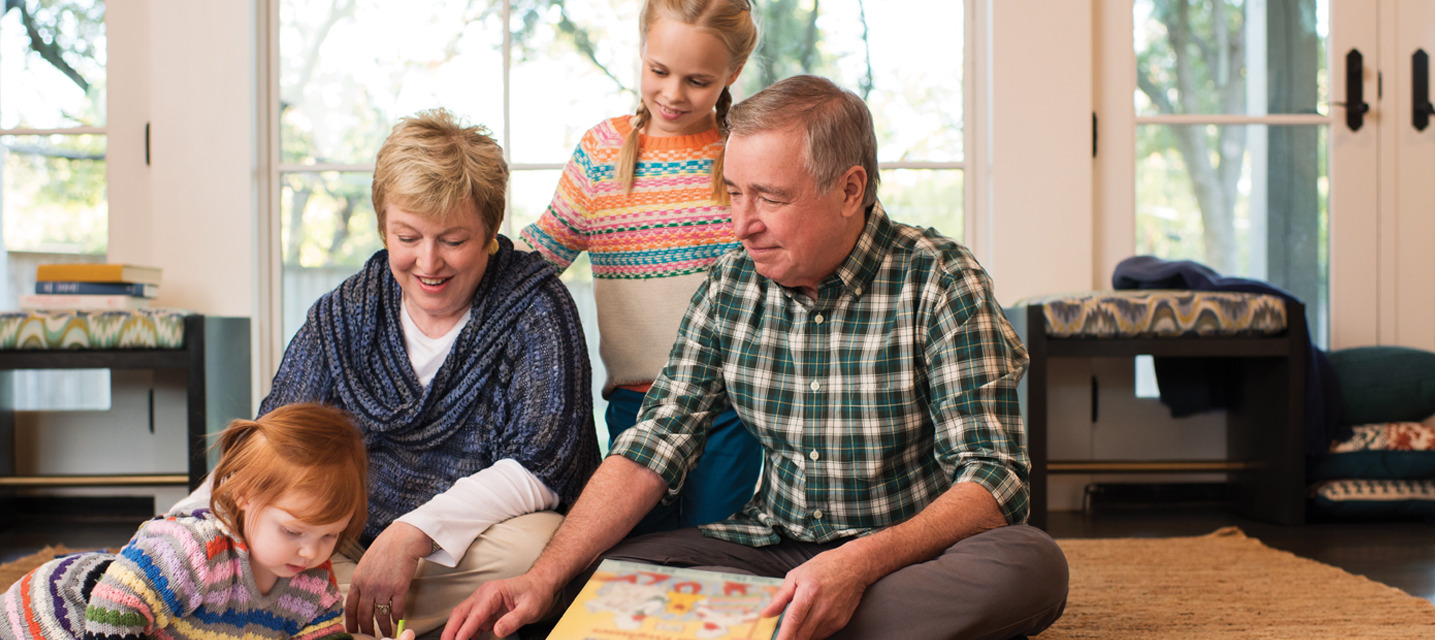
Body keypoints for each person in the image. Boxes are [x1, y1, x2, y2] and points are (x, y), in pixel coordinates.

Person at [445, 75, 1070, 640]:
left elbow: (994, 478)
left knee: (1028, 567)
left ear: (850, 189)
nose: (742, 223)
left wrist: (856, 565)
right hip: (772, 547)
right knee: (593, 576)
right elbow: (653, 444)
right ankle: (794, 621)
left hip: (903, 558)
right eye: (734, 193)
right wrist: (544, 578)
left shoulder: (940, 280)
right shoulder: (731, 284)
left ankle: (756, 622)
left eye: (770, 198)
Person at [172, 108, 601, 638]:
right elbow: (273, 441)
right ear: (383, 227)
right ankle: (318, 611)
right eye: (408, 236)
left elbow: (543, 466)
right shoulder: (346, 311)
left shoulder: (535, 306)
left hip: (462, 547)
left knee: (535, 546)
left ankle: (290, 612)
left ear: (490, 231)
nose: (429, 262)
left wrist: (413, 532)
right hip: (336, 537)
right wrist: (181, 528)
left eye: (453, 240)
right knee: (257, 533)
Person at [519, 0, 762, 537]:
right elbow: (537, 258)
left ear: (732, 74)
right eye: (659, 71)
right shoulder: (601, 153)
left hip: (730, 409)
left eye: (698, 80)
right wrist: (460, 253)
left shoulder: (745, 152)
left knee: (713, 553)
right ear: (642, 53)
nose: (673, 94)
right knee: (636, 553)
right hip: (636, 408)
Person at [0, 403, 383, 640]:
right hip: (59, 621)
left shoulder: (310, 578)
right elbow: (114, 617)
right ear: (241, 497)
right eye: (294, 531)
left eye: (329, 536)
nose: (312, 552)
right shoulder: (190, 548)